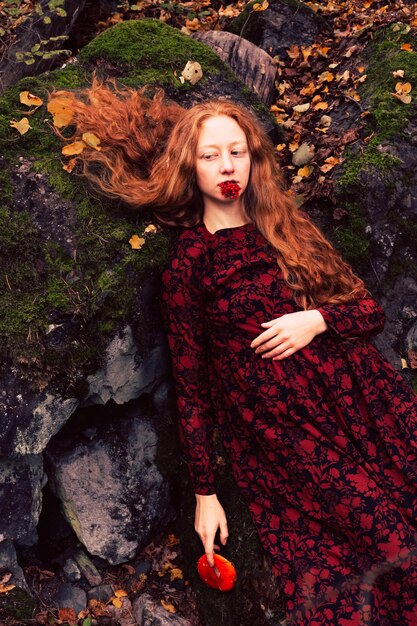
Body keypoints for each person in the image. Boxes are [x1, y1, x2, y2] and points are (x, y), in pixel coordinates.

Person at [51, 77, 417, 625]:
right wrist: (205, 493)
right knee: (387, 539)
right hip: (286, 431)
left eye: (237, 152)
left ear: (253, 159)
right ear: (190, 168)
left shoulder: (287, 229)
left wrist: (314, 320)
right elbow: (192, 386)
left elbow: (369, 313)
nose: (227, 166)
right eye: (211, 155)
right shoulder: (189, 263)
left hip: (362, 402)